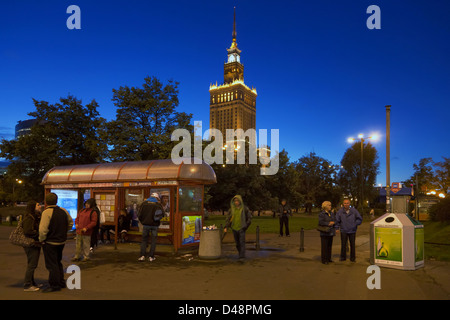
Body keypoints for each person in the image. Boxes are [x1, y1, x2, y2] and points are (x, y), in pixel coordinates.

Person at [39, 192, 73, 293]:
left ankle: (54, 285)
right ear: (56, 200)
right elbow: (70, 223)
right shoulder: (63, 211)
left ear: (46, 202)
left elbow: (42, 229)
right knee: (58, 262)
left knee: (51, 264)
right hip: (61, 241)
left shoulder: (46, 212)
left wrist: (42, 239)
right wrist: (63, 232)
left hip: (50, 242)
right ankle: (61, 281)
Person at [22, 200, 42, 291]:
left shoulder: (34, 216)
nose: (40, 206)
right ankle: (27, 285)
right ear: (33, 207)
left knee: (32, 264)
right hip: (31, 244)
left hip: (34, 243)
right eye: (38, 205)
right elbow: (28, 231)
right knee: (32, 264)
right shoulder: (29, 218)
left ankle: (32, 282)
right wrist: (38, 234)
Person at [224, 195, 252, 260]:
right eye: (235, 201)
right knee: (237, 243)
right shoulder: (232, 210)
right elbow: (228, 219)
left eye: (237, 201)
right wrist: (226, 227)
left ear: (240, 201)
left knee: (242, 242)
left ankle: (242, 256)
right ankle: (240, 253)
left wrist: (245, 226)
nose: (236, 202)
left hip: (241, 228)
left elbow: (249, 218)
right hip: (234, 228)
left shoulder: (244, 209)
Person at [137, 193, 163, 262]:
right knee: (153, 241)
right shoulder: (158, 204)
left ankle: (142, 256)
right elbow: (162, 214)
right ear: (157, 198)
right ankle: (151, 257)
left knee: (144, 240)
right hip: (155, 225)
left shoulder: (144, 204)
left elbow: (139, 214)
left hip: (145, 225)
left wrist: (143, 222)